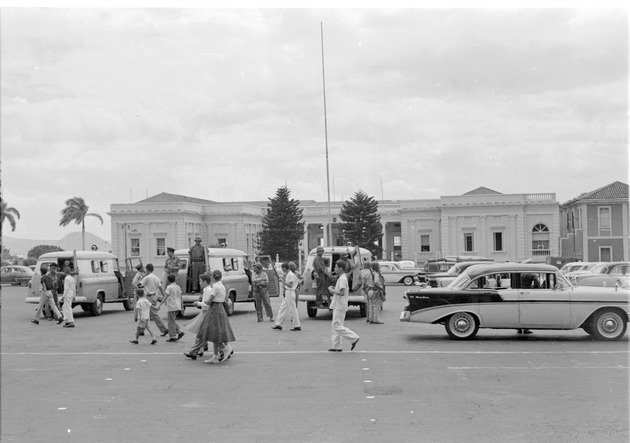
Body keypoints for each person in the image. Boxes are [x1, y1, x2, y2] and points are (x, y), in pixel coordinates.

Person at [328, 260, 360, 352]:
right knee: (336, 325)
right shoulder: (342, 277)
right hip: (338, 304)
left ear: (341, 268)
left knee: (336, 325)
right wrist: (334, 289)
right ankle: (336, 346)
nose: (334, 269)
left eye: (336, 267)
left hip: (340, 304)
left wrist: (332, 291)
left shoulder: (342, 278)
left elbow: (341, 293)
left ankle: (353, 337)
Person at [138, 263, 169, 337]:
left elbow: (139, 285)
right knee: (146, 313)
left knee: (153, 314)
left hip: (149, 297)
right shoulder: (156, 278)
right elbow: (161, 288)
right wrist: (164, 297)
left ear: (147, 269)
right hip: (154, 296)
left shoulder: (147, 278)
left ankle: (164, 329)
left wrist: (142, 277)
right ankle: (142, 330)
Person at [271, 262, 301, 332]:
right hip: (288, 292)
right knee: (282, 308)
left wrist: (282, 281)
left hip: (290, 292)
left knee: (292, 309)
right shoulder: (289, 274)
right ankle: (278, 324)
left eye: (282, 268)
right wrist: (284, 280)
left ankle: (297, 325)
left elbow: (290, 285)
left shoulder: (290, 275)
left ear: (284, 268)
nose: (282, 270)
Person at [160, 274, 185, 342]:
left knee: (170, 322)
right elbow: (181, 297)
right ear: (175, 279)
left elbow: (165, 296)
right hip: (177, 306)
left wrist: (160, 304)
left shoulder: (169, 287)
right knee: (172, 320)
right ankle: (179, 332)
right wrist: (182, 307)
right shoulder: (178, 287)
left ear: (168, 280)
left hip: (171, 306)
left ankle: (172, 336)